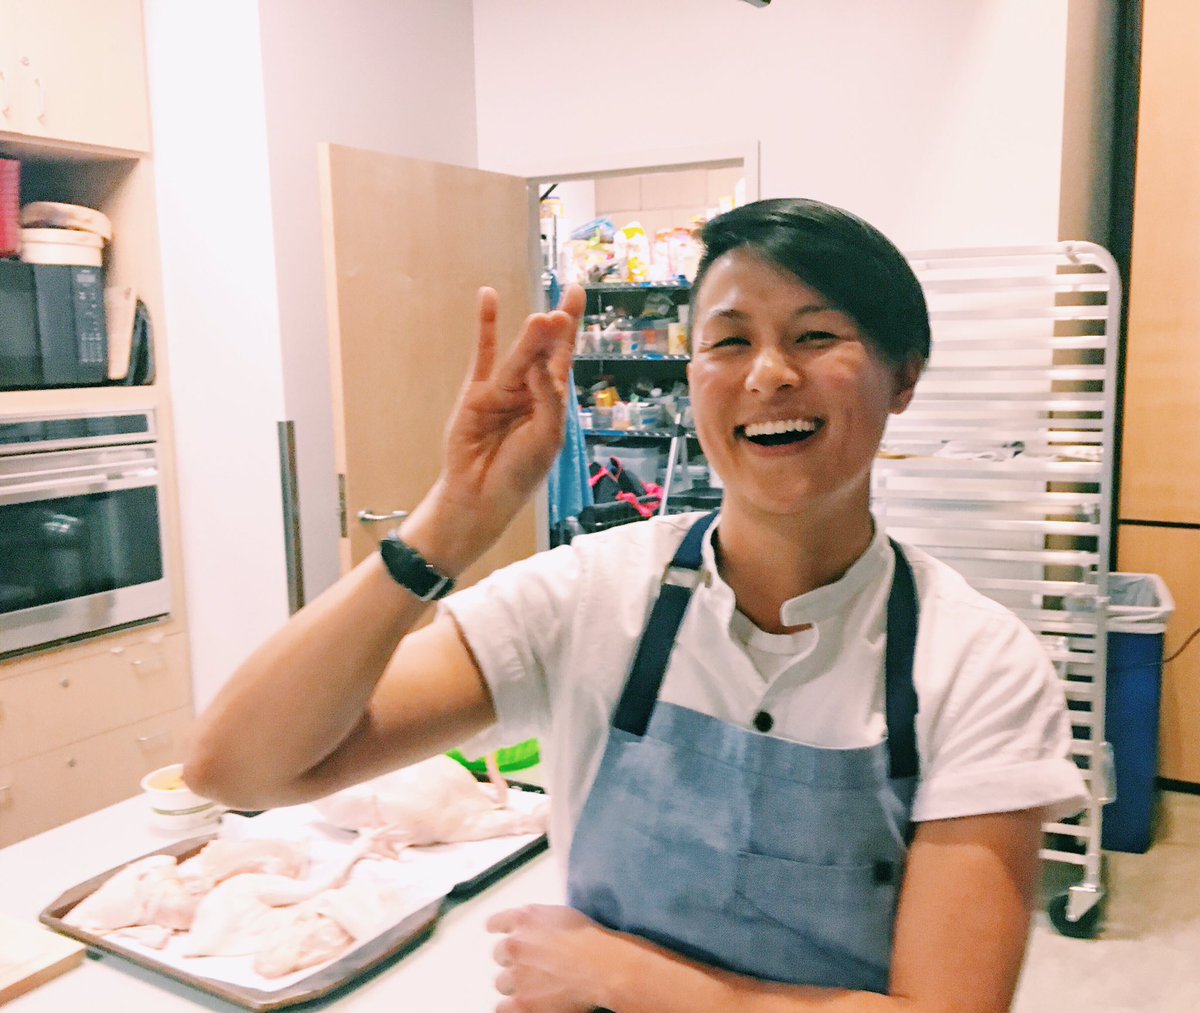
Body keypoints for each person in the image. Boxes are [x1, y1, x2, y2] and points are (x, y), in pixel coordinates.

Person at [186, 198, 1088, 1012]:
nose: (768, 373)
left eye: (816, 336)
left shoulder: (978, 664)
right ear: (692, 376)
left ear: (905, 377)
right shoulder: (588, 593)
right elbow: (241, 768)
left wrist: (629, 979)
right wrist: (451, 522)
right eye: (729, 341)